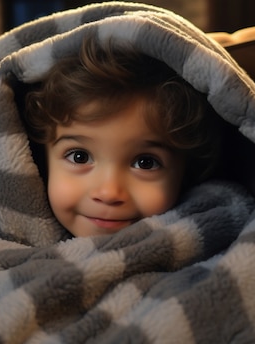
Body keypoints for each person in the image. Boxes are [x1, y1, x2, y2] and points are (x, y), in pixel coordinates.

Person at [24, 35, 222, 238]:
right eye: (79, 157)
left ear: (185, 172)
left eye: (146, 163)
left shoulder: (214, 229)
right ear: (41, 163)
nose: (109, 193)